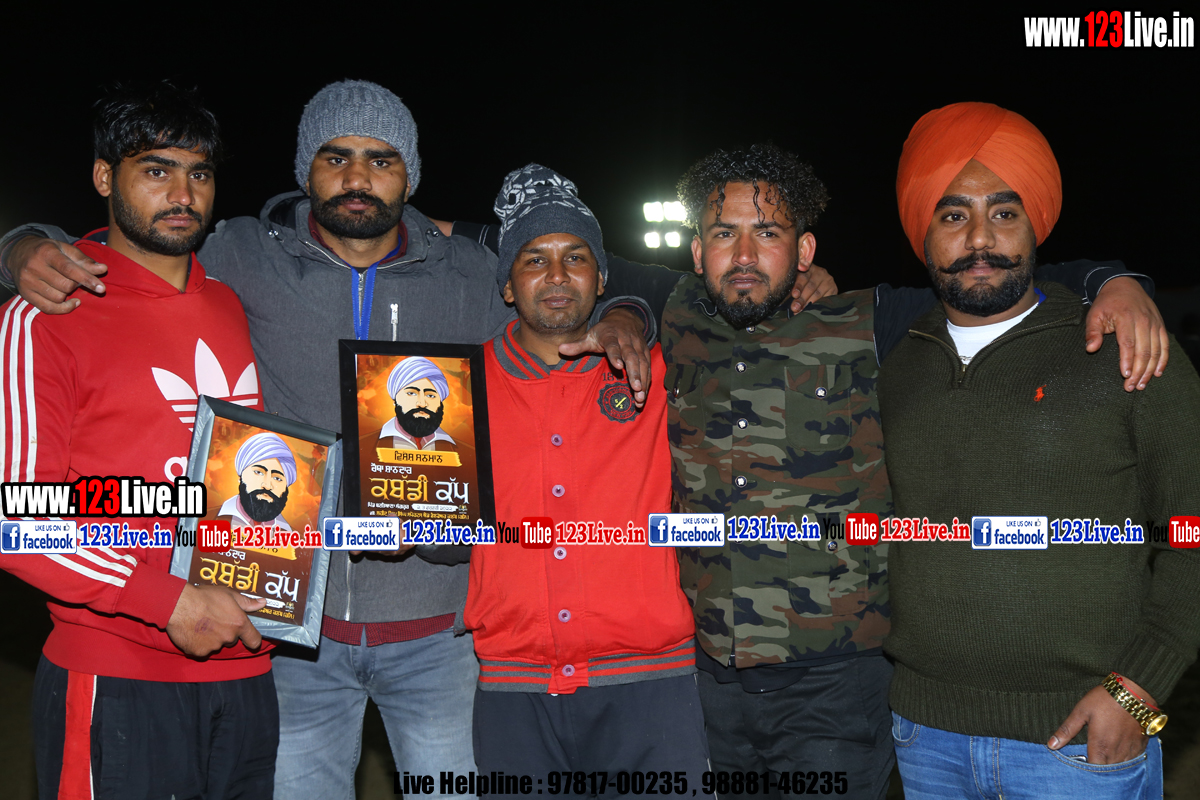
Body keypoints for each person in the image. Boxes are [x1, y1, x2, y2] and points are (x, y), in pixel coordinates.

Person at [0, 79, 658, 798]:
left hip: (439, 634)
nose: (357, 178)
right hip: (286, 639)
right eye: (336, 157)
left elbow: (593, 281)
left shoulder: (471, 271)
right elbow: (132, 246)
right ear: (304, 171)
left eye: (381, 160)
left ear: (410, 175)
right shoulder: (238, 255)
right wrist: (20, 246)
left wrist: (627, 311)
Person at [658, 142, 1172, 800]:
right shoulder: (674, 312)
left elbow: (992, 277)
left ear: (805, 251)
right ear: (697, 251)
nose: (745, 255)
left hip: (835, 688)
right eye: (724, 234)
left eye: (768, 233)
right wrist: (622, 312)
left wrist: (1117, 282)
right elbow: (576, 273)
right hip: (709, 683)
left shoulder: (867, 321)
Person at [879, 101, 1200, 800]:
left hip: (1082, 744)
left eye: (1004, 212)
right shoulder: (893, 361)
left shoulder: (1125, 347)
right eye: (953, 215)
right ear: (922, 231)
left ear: (1037, 224)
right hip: (923, 738)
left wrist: (1140, 690)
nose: (980, 239)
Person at [0, 82, 275, 800]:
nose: (183, 194)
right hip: (119, 675)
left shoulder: (232, 304)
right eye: (157, 170)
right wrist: (168, 601)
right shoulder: (47, 314)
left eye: (200, 173)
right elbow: (19, 522)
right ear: (103, 177)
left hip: (250, 670)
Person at [465, 164, 709, 790]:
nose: (556, 275)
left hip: (652, 686)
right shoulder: (456, 391)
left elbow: (730, 296)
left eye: (575, 257)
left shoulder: (663, 370)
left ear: (602, 277)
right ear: (507, 286)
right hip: (516, 689)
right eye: (534, 259)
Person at [218, 432, 298, 529]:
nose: (267, 485)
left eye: (277, 478)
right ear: (240, 477)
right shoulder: (208, 518)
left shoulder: (291, 535)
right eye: (259, 472)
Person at [377, 356, 458, 451]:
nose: (422, 404)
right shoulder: (368, 442)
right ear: (395, 400)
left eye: (430, 395)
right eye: (411, 393)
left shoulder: (461, 450)